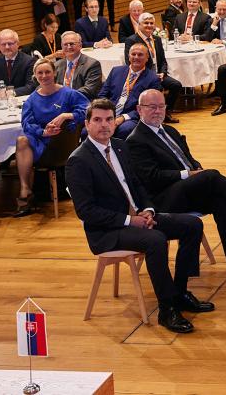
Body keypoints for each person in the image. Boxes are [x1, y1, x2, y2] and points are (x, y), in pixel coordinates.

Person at [65, 98, 211, 334]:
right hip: (108, 231)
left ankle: (180, 291)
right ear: (87, 124)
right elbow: (87, 211)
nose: (104, 125)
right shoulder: (78, 161)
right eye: (98, 120)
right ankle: (167, 308)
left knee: (192, 225)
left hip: (138, 218)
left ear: (115, 121)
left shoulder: (121, 147)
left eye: (109, 119)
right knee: (155, 240)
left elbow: (138, 186)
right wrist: (129, 220)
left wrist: (148, 210)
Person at [124, 89, 226, 290]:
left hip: (185, 192)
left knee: (221, 201)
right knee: (211, 175)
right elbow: (151, 178)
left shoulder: (170, 131)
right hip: (162, 200)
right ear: (139, 109)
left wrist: (194, 170)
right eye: (151, 107)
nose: (157, 111)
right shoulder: (136, 140)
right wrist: (188, 175)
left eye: (161, 106)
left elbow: (189, 160)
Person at [13, 59, 89, 217]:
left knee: (24, 143)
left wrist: (67, 115)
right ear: (35, 76)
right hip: (42, 141)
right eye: (40, 73)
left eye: (47, 72)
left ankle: (27, 193)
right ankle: (25, 189)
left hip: (64, 142)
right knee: (22, 140)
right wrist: (43, 132)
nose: (44, 75)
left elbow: (88, 110)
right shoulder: (31, 100)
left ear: (54, 73)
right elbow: (27, 124)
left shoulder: (68, 93)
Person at [124, 12, 183, 122]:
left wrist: (163, 72)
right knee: (157, 88)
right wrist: (151, 75)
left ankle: (166, 113)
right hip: (143, 75)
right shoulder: (132, 40)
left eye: (151, 23)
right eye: (146, 23)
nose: (149, 25)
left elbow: (163, 61)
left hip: (159, 74)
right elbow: (131, 63)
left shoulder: (157, 39)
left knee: (176, 85)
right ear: (139, 24)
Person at [98, 42, 161, 137]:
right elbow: (102, 95)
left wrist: (123, 118)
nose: (136, 57)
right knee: (86, 131)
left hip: (131, 117)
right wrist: (106, 113)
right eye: (133, 54)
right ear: (128, 56)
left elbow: (148, 107)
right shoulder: (116, 71)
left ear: (147, 57)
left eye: (140, 55)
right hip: (109, 112)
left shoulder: (153, 79)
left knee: (124, 130)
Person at [0, 29, 38, 96]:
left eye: (10, 43)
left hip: (22, 99)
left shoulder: (29, 61)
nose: (7, 47)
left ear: (18, 44)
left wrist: (12, 92)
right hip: (2, 101)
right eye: (3, 44)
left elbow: (31, 86)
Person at [53, 31, 103, 99]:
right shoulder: (56, 65)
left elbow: (89, 90)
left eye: (72, 44)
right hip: (59, 102)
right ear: (61, 46)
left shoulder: (92, 64)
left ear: (80, 45)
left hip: (82, 103)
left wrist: (65, 97)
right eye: (65, 44)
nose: (69, 47)